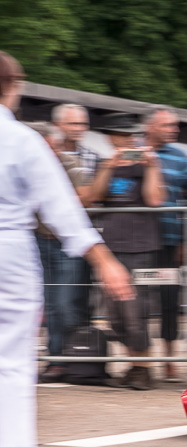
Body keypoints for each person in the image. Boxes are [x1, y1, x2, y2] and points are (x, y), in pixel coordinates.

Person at [0, 50, 132, 447]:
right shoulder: (20, 140)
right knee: (13, 360)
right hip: (9, 252)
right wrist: (104, 259)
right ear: (12, 88)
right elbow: (62, 209)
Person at [89, 112, 164, 390]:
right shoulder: (103, 163)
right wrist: (109, 167)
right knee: (116, 314)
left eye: (132, 135)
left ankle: (142, 368)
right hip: (113, 248)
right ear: (111, 138)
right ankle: (133, 365)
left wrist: (153, 166)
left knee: (138, 311)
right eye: (123, 135)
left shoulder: (148, 165)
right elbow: (95, 197)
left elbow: (155, 199)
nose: (129, 140)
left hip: (142, 246)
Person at [30, 122, 92, 383]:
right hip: (40, 241)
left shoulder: (71, 164)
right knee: (52, 305)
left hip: (68, 243)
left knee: (67, 302)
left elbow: (85, 197)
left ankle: (77, 359)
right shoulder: (29, 166)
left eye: (51, 147)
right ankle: (57, 361)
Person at [143, 106, 187, 382]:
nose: (174, 129)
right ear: (150, 127)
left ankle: (169, 358)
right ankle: (142, 360)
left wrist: (185, 239)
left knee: (170, 299)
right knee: (137, 300)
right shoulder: (134, 150)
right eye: (167, 125)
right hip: (138, 241)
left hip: (170, 240)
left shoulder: (181, 158)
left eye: (175, 125)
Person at [51, 103, 100, 181]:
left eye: (83, 124)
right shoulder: (46, 153)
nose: (78, 129)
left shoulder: (93, 157)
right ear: (56, 125)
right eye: (73, 124)